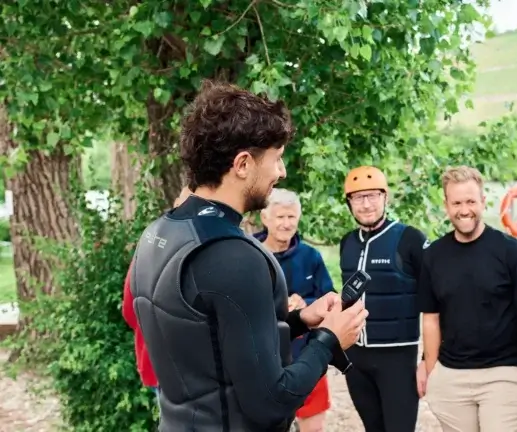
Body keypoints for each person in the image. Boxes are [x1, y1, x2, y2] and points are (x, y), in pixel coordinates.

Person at [128, 80, 368, 432]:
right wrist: (328, 340)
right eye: (277, 158)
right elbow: (271, 403)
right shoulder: (233, 255)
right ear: (242, 164)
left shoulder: (158, 232)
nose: (281, 172)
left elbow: (208, 335)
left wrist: (301, 320)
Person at [417, 165, 517, 432]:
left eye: (470, 201)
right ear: (446, 206)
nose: (464, 209)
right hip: (451, 375)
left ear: (482, 201)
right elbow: (431, 318)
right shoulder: (433, 256)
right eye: (456, 203)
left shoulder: (514, 252)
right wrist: (432, 371)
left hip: (505, 374)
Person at [338, 165, 429, 432]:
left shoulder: (409, 238)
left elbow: (435, 299)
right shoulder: (347, 242)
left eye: (373, 196)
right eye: (358, 197)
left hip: (397, 357)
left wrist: (427, 359)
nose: (366, 204)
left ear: (385, 197)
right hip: (356, 358)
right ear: (349, 202)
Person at [255, 188, 335, 432]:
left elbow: (330, 299)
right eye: (280, 217)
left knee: (313, 427)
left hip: (307, 356)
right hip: (262, 360)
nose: (286, 223)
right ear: (265, 218)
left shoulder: (311, 256)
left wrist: (306, 304)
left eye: (291, 217)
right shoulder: (250, 253)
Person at [122, 186, 192, 398]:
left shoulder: (150, 242)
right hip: (186, 374)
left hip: (158, 367)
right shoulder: (201, 249)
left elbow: (130, 310)